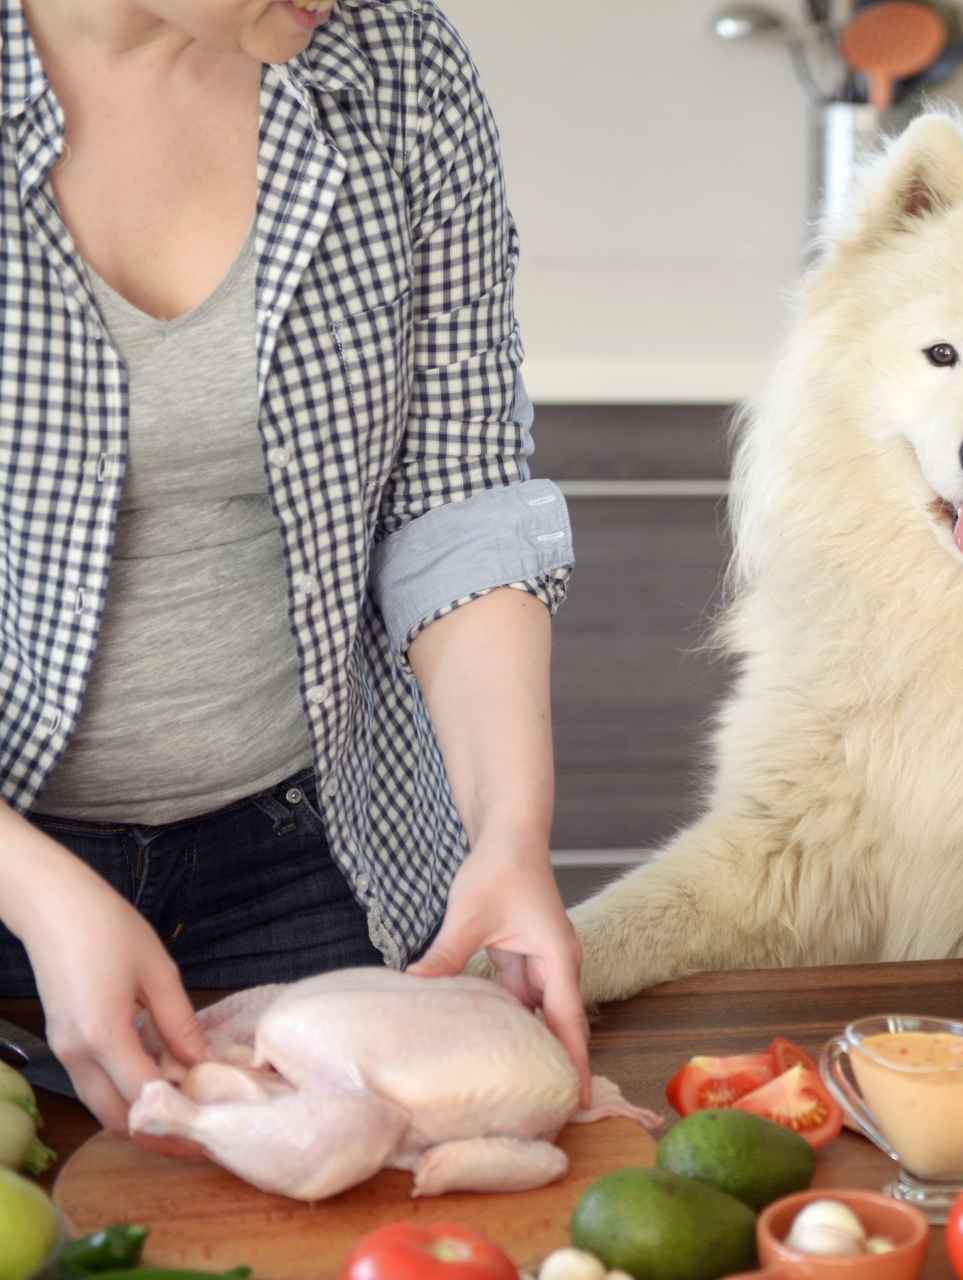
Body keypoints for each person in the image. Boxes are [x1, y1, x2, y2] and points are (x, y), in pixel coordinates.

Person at [0, 0, 589, 1138]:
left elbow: (455, 489)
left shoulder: (398, 66)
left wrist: (509, 830)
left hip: (308, 854)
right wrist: (33, 888)